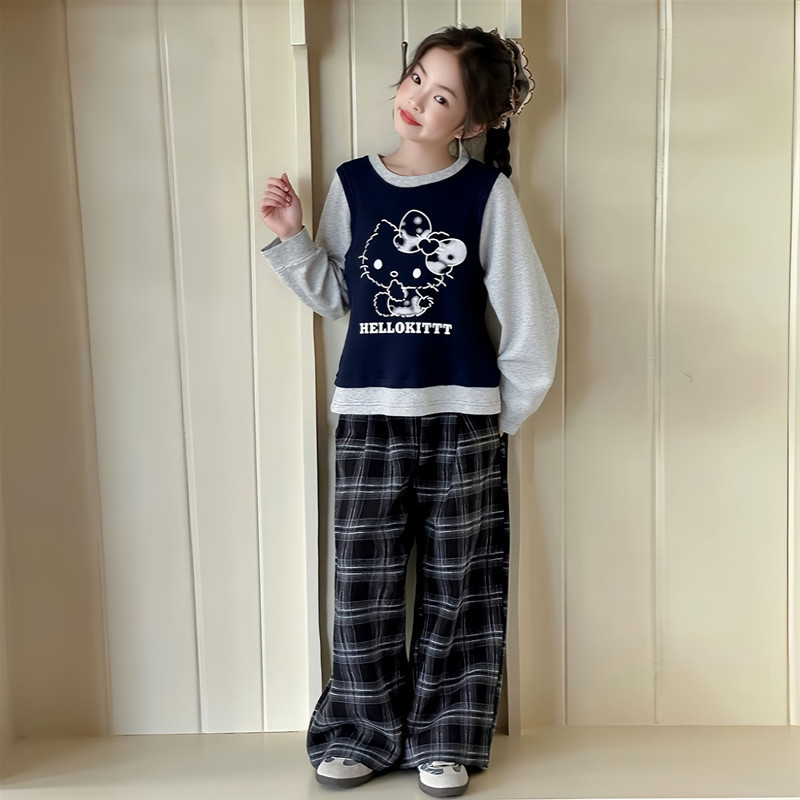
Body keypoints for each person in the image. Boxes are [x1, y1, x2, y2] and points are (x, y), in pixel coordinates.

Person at [258, 24, 558, 798]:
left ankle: (445, 735)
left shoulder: (486, 195)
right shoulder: (352, 184)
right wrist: (293, 240)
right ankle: (359, 732)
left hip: (464, 420)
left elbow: (529, 315)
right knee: (364, 586)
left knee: (460, 584)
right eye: (416, 78)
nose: (417, 100)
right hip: (367, 416)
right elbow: (341, 296)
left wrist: (503, 414)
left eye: (441, 96)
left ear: (472, 121)